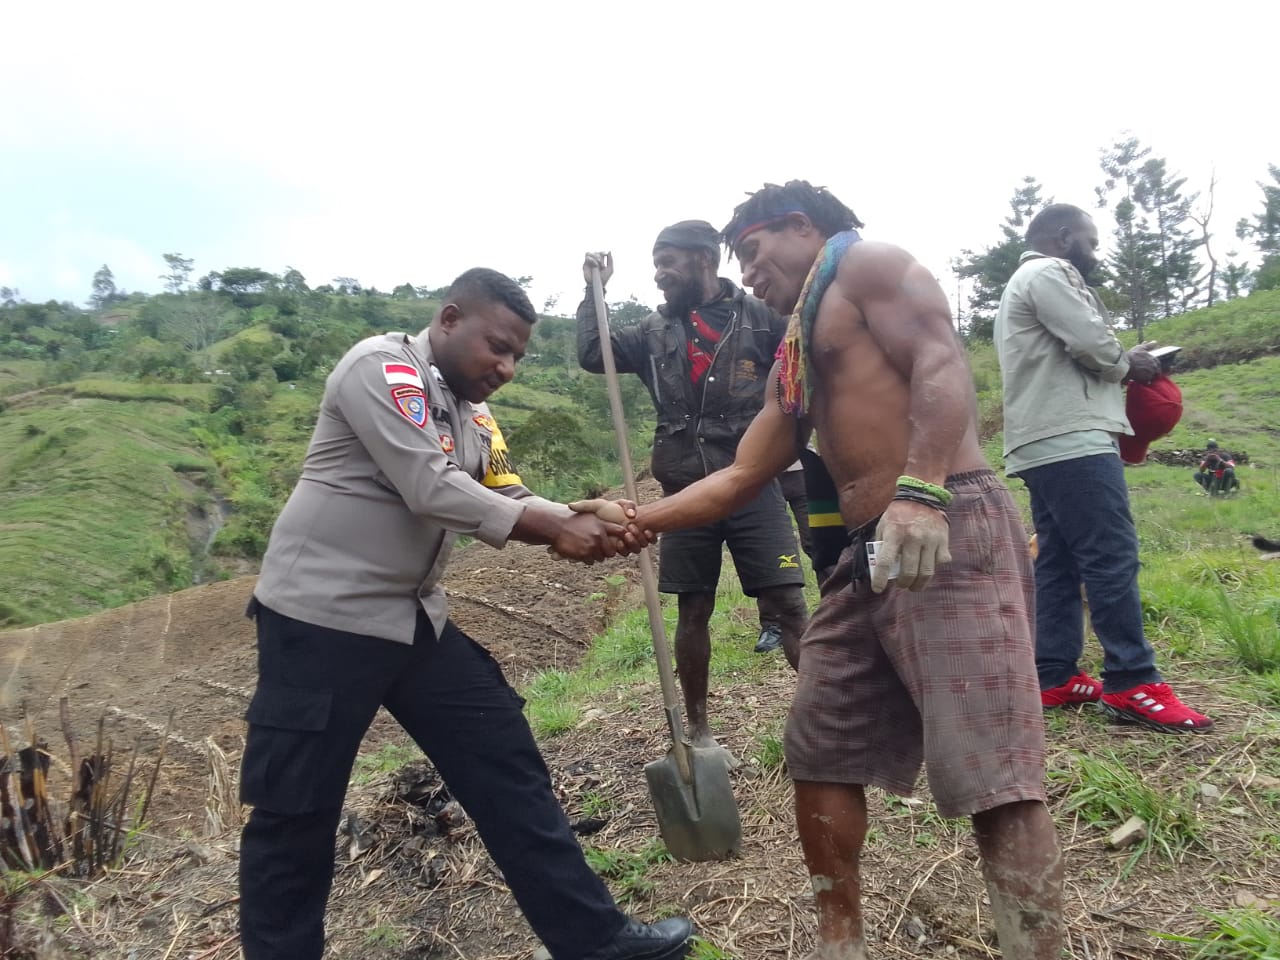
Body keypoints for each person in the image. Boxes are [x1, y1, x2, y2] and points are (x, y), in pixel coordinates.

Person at [575, 181, 1063, 960]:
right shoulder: (795, 352)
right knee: (820, 745)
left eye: (753, 250)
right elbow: (742, 473)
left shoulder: (869, 266)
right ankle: (842, 944)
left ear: (801, 226)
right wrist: (636, 520)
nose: (748, 271)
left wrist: (922, 491)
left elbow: (940, 359)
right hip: (863, 549)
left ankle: (1034, 948)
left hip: (942, 522)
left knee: (990, 767)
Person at [238, 268, 694, 960]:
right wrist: (556, 528)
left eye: (517, 356)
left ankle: (595, 941)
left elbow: (506, 491)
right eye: (497, 347)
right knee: (296, 811)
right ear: (450, 319)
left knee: (505, 763)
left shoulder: (472, 412)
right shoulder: (381, 369)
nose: (506, 368)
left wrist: (583, 513)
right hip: (320, 622)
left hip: (413, 621)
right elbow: (430, 485)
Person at [576, 221, 809, 751]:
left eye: (668, 262)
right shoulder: (652, 331)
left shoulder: (762, 318)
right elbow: (594, 354)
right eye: (656, 263)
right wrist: (594, 291)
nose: (659, 274)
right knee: (693, 608)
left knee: (788, 605)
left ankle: (825, 719)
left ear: (704, 259)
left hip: (754, 484)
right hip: (683, 491)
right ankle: (700, 733)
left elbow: (804, 366)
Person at [994, 203, 1212, 732]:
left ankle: (1054, 673)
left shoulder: (1025, 282)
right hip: (1073, 439)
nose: (1096, 252)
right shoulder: (1049, 271)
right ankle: (1133, 681)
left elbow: (1079, 349)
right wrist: (1130, 362)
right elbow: (1092, 344)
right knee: (1110, 555)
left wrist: (1120, 358)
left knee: (1059, 560)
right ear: (1063, 237)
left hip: (1043, 441)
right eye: (1090, 241)